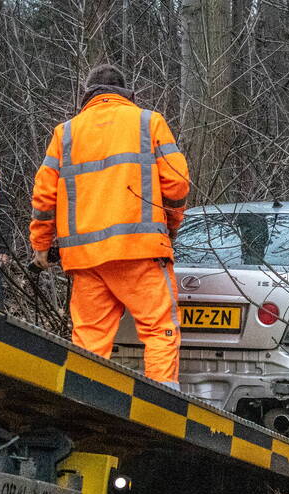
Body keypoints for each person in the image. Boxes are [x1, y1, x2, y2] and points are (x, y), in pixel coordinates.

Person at [29, 65, 190, 387]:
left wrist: (41, 246)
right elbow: (176, 183)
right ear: (128, 94)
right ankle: (162, 409)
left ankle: (86, 408)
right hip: (140, 252)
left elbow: (44, 197)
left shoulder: (66, 133)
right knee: (160, 331)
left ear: (86, 96)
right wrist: (170, 226)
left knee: (89, 343)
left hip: (85, 259)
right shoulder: (148, 122)